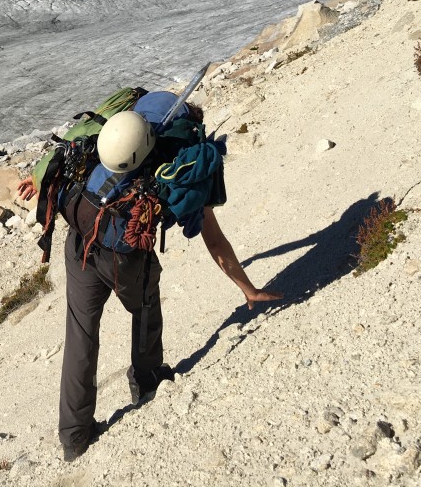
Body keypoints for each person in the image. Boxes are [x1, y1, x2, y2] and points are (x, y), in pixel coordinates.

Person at [17, 99, 282, 462]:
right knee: (145, 309)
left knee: (80, 334)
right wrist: (248, 289)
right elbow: (214, 239)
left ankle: (75, 436)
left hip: (79, 236)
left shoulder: (139, 109)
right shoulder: (179, 157)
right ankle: (146, 378)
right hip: (123, 256)